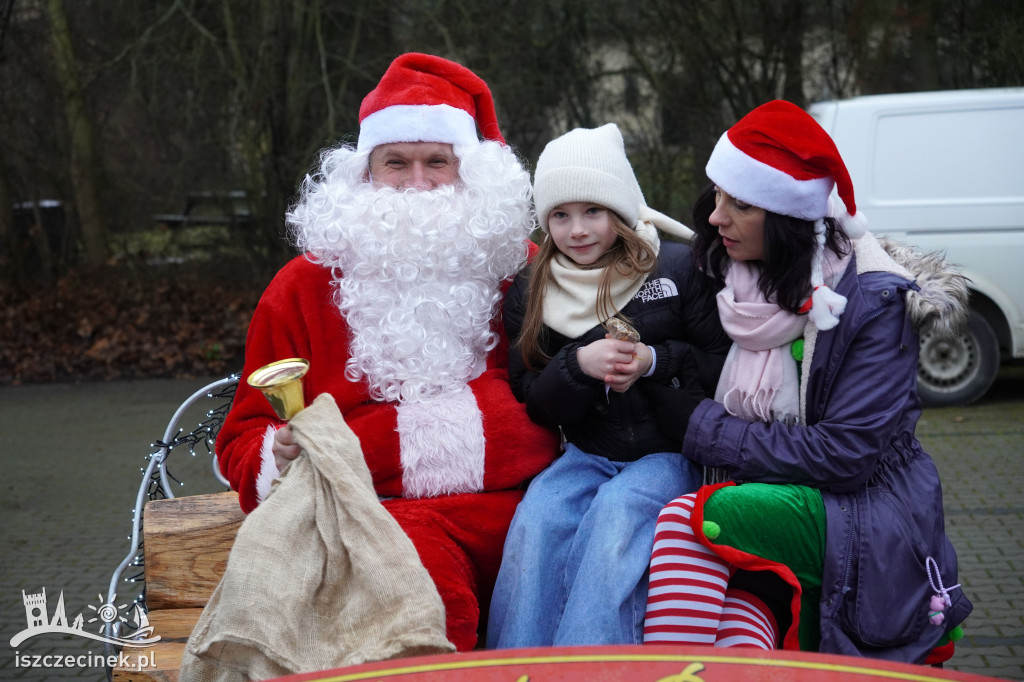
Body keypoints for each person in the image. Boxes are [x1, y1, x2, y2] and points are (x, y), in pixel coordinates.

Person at [215, 53, 560, 652]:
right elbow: (242, 438)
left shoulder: (524, 271)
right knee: (420, 603)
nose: (418, 182)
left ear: (470, 173)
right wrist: (283, 448)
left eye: (438, 162)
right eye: (396, 162)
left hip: (525, 511)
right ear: (364, 173)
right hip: (374, 520)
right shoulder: (300, 287)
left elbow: (572, 403)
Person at [642, 100, 973, 663]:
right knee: (746, 607)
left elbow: (846, 455)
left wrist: (699, 422)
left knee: (688, 520)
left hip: (864, 508)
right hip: (781, 484)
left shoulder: (873, 302)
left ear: (790, 220)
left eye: (740, 204)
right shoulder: (738, 279)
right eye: (717, 195)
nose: (716, 216)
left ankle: (669, 672)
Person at [487, 123, 732, 648]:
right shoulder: (533, 289)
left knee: (616, 516)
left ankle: (593, 659)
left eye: (592, 211)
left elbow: (722, 368)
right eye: (560, 214)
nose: (577, 230)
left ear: (619, 209)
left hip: (669, 452)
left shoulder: (675, 268)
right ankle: (516, 661)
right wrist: (577, 365)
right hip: (585, 452)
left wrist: (653, 361)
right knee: (536, 523)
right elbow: (531, 397)